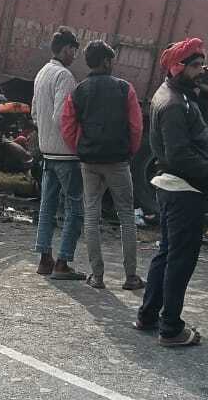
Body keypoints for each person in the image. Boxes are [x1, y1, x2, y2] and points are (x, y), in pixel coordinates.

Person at [134, 37, 208, 347]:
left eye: (202, 65)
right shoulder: (173, 104)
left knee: (167, 253)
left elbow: (196, 126)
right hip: (183, 189)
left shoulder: (177, 96)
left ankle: (148, 315)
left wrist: (204, 94)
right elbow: (179, 155)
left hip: (176, 187)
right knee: (180, 260)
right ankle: (170, 327)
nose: (201, 71)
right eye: (195, 66)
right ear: (177, 68)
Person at [60, 40, 145, 291]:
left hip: (90, 162)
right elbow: (136, 127)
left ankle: (97, 276)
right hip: (118, 161)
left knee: (91, 216)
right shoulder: (124, 89)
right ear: (106, 61)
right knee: (126, 216)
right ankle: (131, 276)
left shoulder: (78, 91)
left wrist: (80, 149)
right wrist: (129, 151)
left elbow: (67, 126)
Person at [31, 27, 86, 280]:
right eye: (74, 50)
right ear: (66, 49)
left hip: (47, 152)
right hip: (66, 154)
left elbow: (35, 114)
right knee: (75, 209)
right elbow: (63, 117)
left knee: (47, 206)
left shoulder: (42, 73)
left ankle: (45, 259)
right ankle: (63, 263)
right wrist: (78, 145)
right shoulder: (64, 76)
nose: (75, 55)